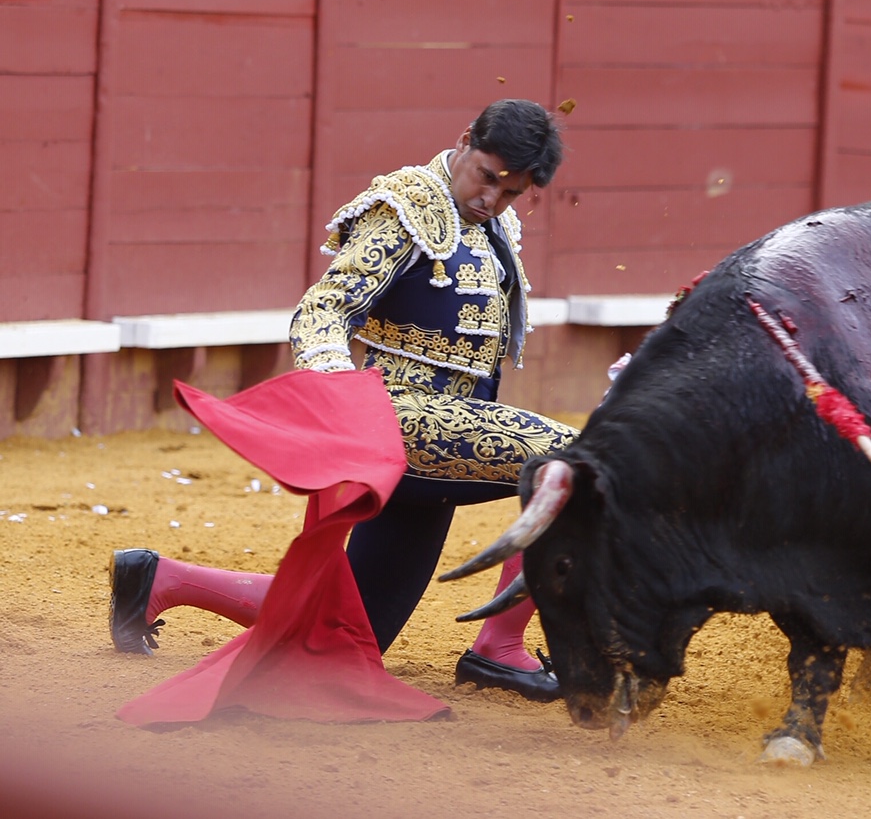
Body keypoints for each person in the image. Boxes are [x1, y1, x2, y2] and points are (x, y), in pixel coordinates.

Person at [109, 98, 578, 703]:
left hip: (452, 433)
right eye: (487, 177)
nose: (492, 200)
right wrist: (340, 400)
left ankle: (162, 580)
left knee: (350, 632)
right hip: (397, 421)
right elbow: (323, 310)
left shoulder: (489, 225)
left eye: (511, 192)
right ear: (464, 141)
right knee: (573, 465)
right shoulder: (406, 210)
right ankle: (499, 649)